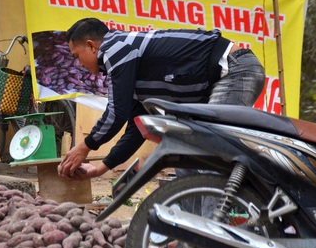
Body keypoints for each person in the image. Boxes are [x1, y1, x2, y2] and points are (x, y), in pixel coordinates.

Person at [58, 17, 265, 181]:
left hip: (235, 70)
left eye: (77, 56)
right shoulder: (129, 66)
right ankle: (190, 232)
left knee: (208, 158)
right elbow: (137, 127)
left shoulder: (115, 47)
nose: (79, 65)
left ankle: (211, 231)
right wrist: (100, 169)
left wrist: (84, 146)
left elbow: (116, 112)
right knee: (187, 161)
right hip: (222, 79)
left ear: (92, 46)